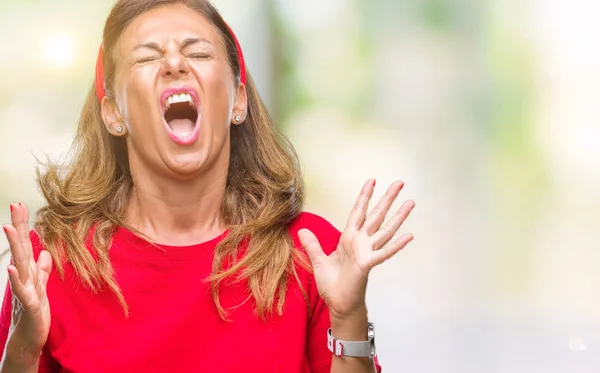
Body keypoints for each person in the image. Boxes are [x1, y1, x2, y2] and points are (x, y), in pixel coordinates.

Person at [0, 1, 415, 372]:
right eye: (147, 58)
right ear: (113, 113)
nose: (175, 64)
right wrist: (21, 350)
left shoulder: (310, 252)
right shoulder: (49, 264)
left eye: (198, 52)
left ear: (237, 100)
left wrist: (348, 318)